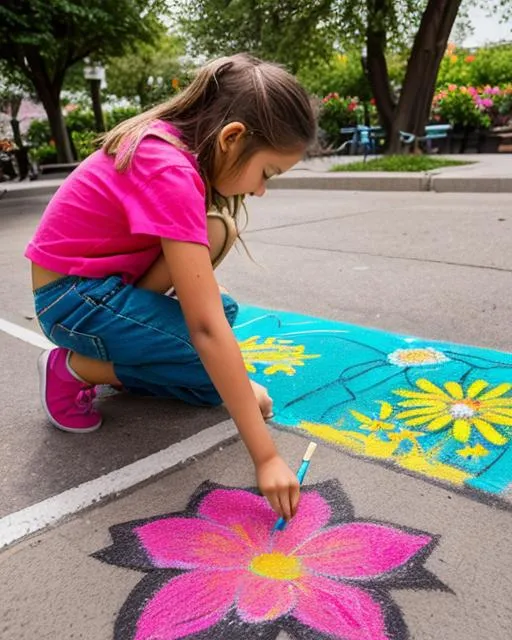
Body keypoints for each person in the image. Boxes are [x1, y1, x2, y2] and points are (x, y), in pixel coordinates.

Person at [25, 53, 317, 521]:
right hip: (71, 301)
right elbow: (204, 328)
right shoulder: (170, 168)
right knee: (214, 360)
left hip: (100, 289)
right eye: (267, 173)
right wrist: (266, 457)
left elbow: (211, 316)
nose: (261, 190)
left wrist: (232, 379)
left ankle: (123, 352)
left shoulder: (175, 151)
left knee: (216, 364)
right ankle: (74, 368)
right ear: (232, 137)